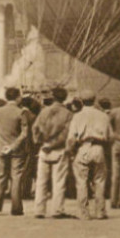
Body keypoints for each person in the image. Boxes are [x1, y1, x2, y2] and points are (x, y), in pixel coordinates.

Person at [67, 88, 111, 220]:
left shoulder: (77, 116)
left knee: (81, 182)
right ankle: (100, 211)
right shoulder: (103, 116)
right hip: (98, 148)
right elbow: (109, 137)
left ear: (81, 101)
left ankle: (83, 212)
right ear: (94, 100)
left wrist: (70, 152)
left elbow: (71, 138)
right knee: (99, 181)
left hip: (83, 148)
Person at [0, 86, 29, 216]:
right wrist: (13, 145)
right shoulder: (21, 112)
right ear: (17, 97)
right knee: (16, 178)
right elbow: (24, 133)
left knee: (0, 177)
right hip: (16, 149)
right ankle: (16, 208)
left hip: (0, 147)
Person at [33, 86, 73, 219]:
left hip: (44, 149)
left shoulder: (44, 111)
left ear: (53, 97)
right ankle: (57, 209)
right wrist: (53, 144)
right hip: (59, 149)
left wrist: (41, 142)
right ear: (65, 98)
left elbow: (35, 129)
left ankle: (39, 210)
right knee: (59, 181)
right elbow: (66, 133)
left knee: (41, 182)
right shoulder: (68, 114)